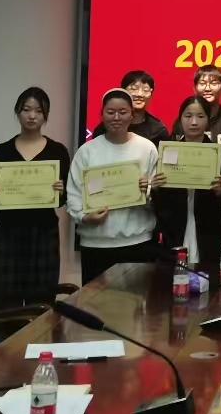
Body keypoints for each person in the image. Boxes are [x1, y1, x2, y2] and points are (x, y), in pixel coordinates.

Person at [0, 87, 72, 307]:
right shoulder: (1, 151)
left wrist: (62, 191)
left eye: (39, 111)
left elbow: (66, 198)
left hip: (43, 233)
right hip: (8, 234)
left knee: (41, 302)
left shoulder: (58, 151)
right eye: (26, 109)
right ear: (18, 112)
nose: (32, 116)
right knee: (6, 301)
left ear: (46, 115)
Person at [67, 88, 162, 283]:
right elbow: (74, 192)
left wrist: (147, 191)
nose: (116, 117)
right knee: (95, 302)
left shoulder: (146, 148)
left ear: (132, 115)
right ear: (102, 115)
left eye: (123, 112)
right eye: (110, 112)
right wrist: (84, 217)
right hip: (95, 245)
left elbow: (159, 193)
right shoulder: (87, 151)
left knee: (137, 301)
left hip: (138, 242)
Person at [152, 95, 221, 266]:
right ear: (180, 119)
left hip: (208, 232)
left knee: (207, 277)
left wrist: (220, 193)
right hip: (175, 231)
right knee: (175, 276)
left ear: (208, 120)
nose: (194, 122)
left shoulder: (219, 154)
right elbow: (160, 204)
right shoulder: (167, 152)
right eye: (188, 116)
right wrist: (156, 188)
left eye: (200, 116)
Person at [91, 70, 169, 145]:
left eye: (145, 90)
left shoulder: (158, 129)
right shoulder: (106, 128)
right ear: (123, 91)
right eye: (134, 89)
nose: (139, 94)